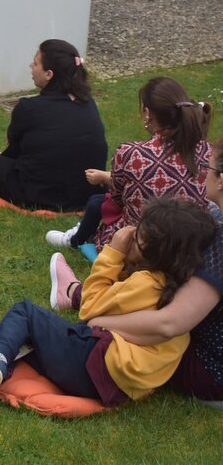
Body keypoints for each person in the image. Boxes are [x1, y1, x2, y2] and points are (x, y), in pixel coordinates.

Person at [0, 198, 216, 407]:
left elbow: (89, 310)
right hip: (117, 385)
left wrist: (113, 253)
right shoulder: (176, 289)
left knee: (26, 313)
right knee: (31, 343)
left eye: (138, 235)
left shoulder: (146, 283)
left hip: (95, 366)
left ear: (152, 248)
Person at [87, 139, 223, 403]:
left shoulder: (221, 244)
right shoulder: (215, 218)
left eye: (208, 166)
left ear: (221, 180)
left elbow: (170, 323)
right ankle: (76, 292)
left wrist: (97, 324)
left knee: (116, 337)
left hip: (211, 369)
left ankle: (78, 295)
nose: (204, 172)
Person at [46, 77, 212, 250]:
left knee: (100, 202)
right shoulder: (209, 151)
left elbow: (117, 199)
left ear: (147, 113)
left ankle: (76, 239)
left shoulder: (132, 153)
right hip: (189, 246)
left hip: (138, 245)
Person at [0, 39, 108, 211]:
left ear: (49, 74)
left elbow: (14, 148)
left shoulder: (29, 107)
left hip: (40, 194)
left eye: (36, 63)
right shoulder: (87, 102)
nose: (31, 66)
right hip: (86, 191)